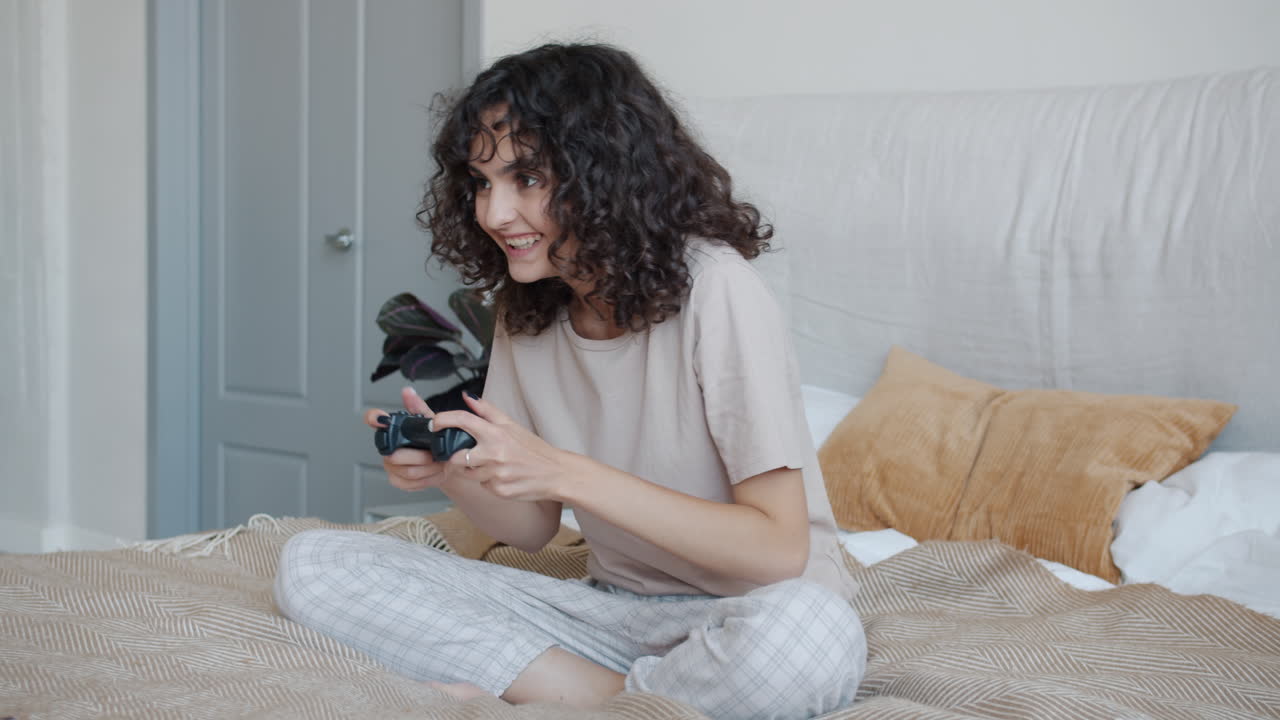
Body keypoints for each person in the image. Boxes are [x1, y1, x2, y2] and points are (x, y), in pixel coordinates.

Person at [274, 43, 866, 720]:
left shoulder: (717, 288)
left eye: (526, 179)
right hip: (609, 619)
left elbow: (778, 550)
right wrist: (453, 470)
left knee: (808, 643)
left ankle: (580, 699)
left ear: (603, 176)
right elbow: (528, 529)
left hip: (753, 614)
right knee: (313, 565)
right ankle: (614, 699)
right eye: (481, 182)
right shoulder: (529, 310)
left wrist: (566, 473)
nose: (494, 214)